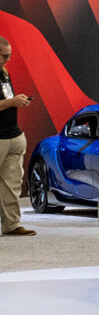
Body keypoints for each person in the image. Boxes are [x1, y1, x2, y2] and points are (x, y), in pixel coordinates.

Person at [0, 36, 35, 236]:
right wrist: (12, 102)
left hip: (13, 135)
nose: (7, 60)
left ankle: (11, 225)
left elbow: (6, 97)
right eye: (4, 56)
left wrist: (17, 100)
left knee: (12, 184)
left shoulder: (4, 72)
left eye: (9, 56)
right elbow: (6, 101)